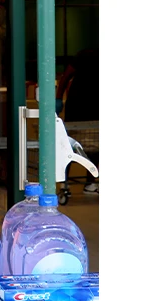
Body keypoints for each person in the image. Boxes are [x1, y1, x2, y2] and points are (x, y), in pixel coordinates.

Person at [56, 48, 99, 194]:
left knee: (94, 146)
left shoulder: (86, 54)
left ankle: (89, 182)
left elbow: (65, 77)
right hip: (79, 106)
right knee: (72, 144)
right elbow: (66, 76)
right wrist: (58, 98)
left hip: (92, 107)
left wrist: (59, 96)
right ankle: (66, 183)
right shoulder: (87, 54)